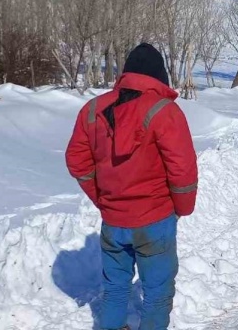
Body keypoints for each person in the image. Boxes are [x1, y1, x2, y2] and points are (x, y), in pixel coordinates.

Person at [65, 42, 198, 330]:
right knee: (157, 294)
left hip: (113, 221)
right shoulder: (166, 111)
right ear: (159, 76)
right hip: (155, 220)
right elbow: (182, 169)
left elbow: (77, 160)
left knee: (114, 288)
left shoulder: (91, 110)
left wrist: (102, 197)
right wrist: (182, 208)